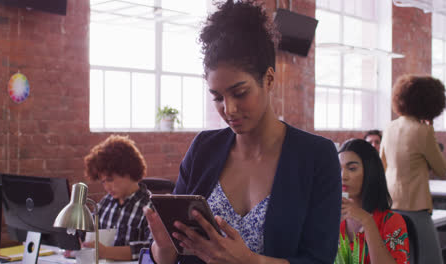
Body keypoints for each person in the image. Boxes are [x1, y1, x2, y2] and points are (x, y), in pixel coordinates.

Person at [143, 1, 342, 263]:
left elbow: (320, 259)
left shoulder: (316, 157)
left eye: (240, 93)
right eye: (217, 97)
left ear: (268, 80)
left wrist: (250, 261)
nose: (229, 109)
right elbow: (165, 256)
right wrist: (164, 247)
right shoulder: (204, 149)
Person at [380, 74, 446, 263]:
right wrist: (431, 133)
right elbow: (442, 169)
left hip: (391, 204)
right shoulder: (423, 131)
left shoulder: (389, 128)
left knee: (402, 257)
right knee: (430, 258)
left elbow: (382, 164)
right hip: (416, 205)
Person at [80, 135, 152, 261]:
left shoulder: (150, 207)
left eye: (110, 180)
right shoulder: (105, 204)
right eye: (103, 182)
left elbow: (153, 248)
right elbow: (86, 231)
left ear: (128, 171)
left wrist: (106, 252)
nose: (107, 187)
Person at [339, 139, 409, 264]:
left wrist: (366, 221)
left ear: (370, 172)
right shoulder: (333, 219)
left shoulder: (391, 221)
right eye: (338, 169)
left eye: (352, 168)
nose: (343, 176)